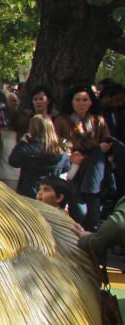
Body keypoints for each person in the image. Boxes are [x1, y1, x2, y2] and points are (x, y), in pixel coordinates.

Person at [54, 86, 110, 230]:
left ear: (91, 102)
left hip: (92, 170)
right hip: (72, 170)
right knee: (78, 209)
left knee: (93, 208)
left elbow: (107, 140)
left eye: (85, 100)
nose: (81, 103)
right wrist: (69, 156)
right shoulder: (61, 120)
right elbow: (55, 144)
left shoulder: (98, 121)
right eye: (77, 100)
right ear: (71, 102)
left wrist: (103, 146)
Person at [9, 114, 69, 198]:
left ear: (31, 129)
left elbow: (13, 161)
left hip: (28, 192)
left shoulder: (27, 149)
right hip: (51, 194)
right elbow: (66, 168)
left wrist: (21, 143)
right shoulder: (60, 150)